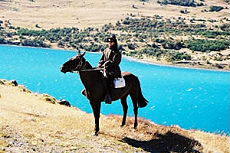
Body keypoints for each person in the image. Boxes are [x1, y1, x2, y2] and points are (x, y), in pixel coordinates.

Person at [98, 34, 122, 104]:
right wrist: (99, 65)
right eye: (109, 42)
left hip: (113, 70)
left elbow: (115, 62)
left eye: (111, 42)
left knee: (107, 78)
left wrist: (107, 63)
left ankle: (108, 95)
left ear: (114, 42)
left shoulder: (117, 52)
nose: (110, 43)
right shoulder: (106, 50)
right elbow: (102, 59)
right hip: (104, 68)